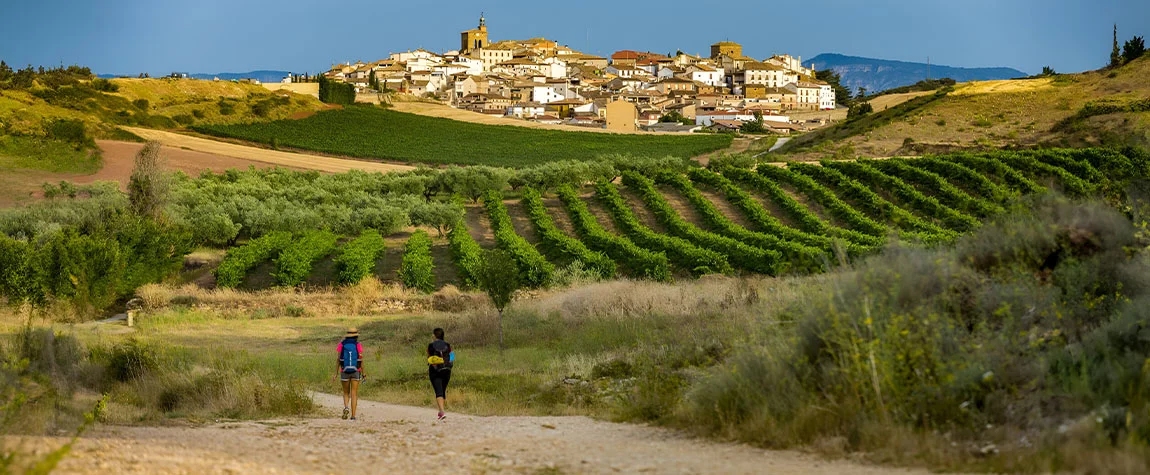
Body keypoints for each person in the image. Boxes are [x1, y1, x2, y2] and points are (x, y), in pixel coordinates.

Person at [337, 327, 365, 420]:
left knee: (346, 393)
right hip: (356, 371)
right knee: (354, 394)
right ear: (356, 335)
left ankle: (346, 407)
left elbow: (338, 359)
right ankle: (353, 416)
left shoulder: (341, 344)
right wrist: (363, 373)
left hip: (344, 371)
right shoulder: (358, 345)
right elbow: (361, 360)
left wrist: (336, 373)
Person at [426, 328, 453, 421]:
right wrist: (449, 364)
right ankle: (441, 411)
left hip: (435, 371)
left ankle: (442, 411)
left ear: (434, 335)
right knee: (442, 390)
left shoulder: (431, 346)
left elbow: (429, 357)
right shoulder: (447, 345)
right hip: (447, 370)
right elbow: (452, 356)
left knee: (438, 391)